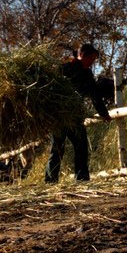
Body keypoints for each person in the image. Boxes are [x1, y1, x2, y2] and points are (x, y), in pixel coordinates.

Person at [45, 43, 112, 182]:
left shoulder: (83, 72)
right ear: (82, 55)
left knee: (78, 146)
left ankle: (76, 179)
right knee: (60, 147)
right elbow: (49, 87)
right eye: (90, 59)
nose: (92, 63)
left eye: (93, 61)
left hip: (71, 115)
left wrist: (104, 113)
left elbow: (94, 94)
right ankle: (56, 179)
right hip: (61, 115)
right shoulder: (65, 68)